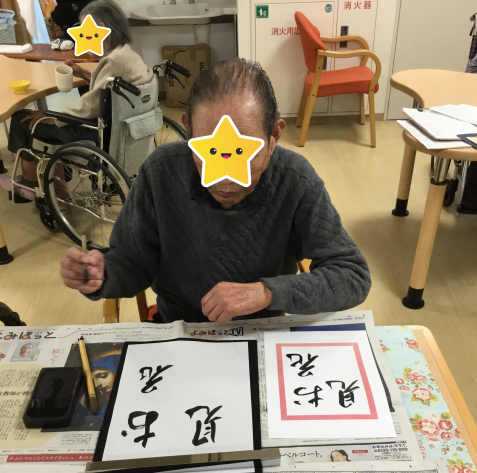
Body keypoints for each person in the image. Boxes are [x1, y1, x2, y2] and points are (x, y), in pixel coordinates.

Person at [60, 59, 371, 322]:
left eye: (243, 153)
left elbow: (352, 275)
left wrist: (268, 292)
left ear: (274, 136)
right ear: (189, 130)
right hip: (180, 328)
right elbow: (132, 262)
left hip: (263, 329)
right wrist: (102, 273)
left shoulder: (294, 179)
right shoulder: (161, 172)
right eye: (209, 152)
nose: (225, 181)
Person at [0, 0, 152, 202]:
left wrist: (54, 117)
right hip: (123, 127)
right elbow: (108, 90)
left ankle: (29, 182)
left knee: (22, 119)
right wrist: (84, 74)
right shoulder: (126, 54)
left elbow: (90, 105)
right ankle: (53, 178)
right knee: (42, 116)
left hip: (100, 133)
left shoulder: (113, 61)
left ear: (101, 29)